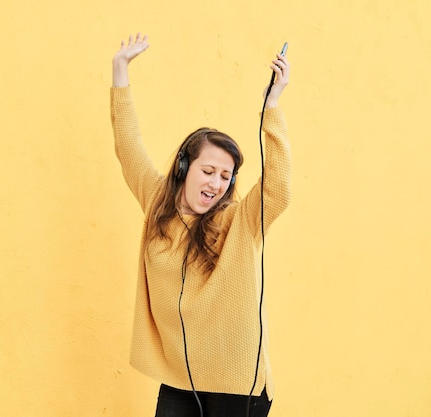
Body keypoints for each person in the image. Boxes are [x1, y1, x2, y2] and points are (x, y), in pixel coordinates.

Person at [110, 33, 291, 417]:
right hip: (179, 378)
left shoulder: (239, 220)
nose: (216, 183)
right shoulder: (156, 199)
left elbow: (278, 188)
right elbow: (128, 146)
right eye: (208, 170)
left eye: (225, 176)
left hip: (239, 386)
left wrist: (271, 107)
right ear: (183, 167)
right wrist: (120, 70)